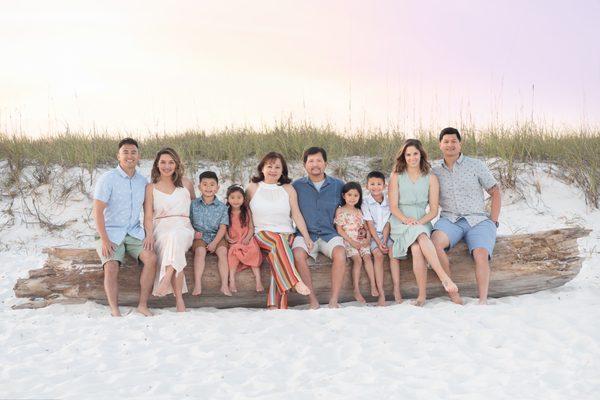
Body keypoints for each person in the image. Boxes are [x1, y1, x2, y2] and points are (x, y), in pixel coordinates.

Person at [431, 127, 501, 305]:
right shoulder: (434, 171)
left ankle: (483, 300)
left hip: (478, 219)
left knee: (480, 253)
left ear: (460, 144)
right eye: (446, 141)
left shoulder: (475, 165)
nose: (450, 145)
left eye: (454, 141)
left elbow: (495, 191)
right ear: (440, 145)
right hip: (450, 220)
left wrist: (493, 221)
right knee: (436, 244)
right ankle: (453, 294)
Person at [389, 138, 459, 306]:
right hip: (400, 221)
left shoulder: (431, 177)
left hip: (422, 219)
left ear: (421, 154)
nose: (412, 158)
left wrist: (419, 222)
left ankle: (421, 296)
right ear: (403, 157)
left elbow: (434, 210)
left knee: (417, 248)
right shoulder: (396, 175)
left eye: (415, 154)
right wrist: (407, 220)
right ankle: (445, 278)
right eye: (408, 155)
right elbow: (393, 207)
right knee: (420, 235)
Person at [93, 138, 157, 317]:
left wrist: (149, 234)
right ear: (118, 155)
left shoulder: (142, 181)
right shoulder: (107, 179)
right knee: (111, 265)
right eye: (125, 152)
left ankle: (142, 305)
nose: (130, 156)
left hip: (134, 231)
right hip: (111, 232)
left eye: (133, 152)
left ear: (138, 156)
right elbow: (97, 212)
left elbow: (147, 212)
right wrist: (104, 240)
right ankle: (114, 309)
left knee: (151, 258)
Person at [246, 152, 312, 309]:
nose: (273, 170)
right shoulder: (252, 187)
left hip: (286, 233)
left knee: (279, 254)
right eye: (269, 166)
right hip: (262, 233)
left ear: (283, 171)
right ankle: (295, 280)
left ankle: (276, 306)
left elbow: (296, 214)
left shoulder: (288, 189)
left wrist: (306, 237)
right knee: (278, 243)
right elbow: (245, 214)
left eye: (277, 167)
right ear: (262, 168)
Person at [292, 147, 347, 309]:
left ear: (325, 163)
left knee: (340, 253)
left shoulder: (338, 185)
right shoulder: (297, 186)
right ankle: (312, 300)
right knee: (297, 254)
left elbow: (348, 209)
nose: (315, 164)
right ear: (304, 165)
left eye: (318, 160)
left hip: (330, 233)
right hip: (305, 233)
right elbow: (291, 212)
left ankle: (334, 300)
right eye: (311, 161)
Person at [144, 147, 196, 312]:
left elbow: (196, 209)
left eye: (171, 162)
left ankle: (166, 278)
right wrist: (149, 235)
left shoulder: (186, 184)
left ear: (177, 164)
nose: (167, 166)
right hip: (162, 228)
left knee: (176, 236)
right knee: (172, 241)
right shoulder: (151, 187)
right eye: (163, 162)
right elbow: (147, 216)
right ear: (157, 165)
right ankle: (179, 300)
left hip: (184, 226)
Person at [334, 182, 377, 304]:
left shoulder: (358, 211)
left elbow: (364, 226)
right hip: (348, 240)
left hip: (360, 239)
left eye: (355, 195)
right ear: (343, 196)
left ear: (359, 197)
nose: (352, 198)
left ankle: (373, 285)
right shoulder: (340, 211)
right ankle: (356, 289)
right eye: (349, 195)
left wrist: (367, 236)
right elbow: (339, 229)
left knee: (367, 257)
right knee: (357, 259)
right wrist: (352, 242)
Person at [189, 171, 231, 296]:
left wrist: (214, 243)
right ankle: (197, 284)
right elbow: (188, 221)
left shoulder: (222, 207)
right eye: (205, 184)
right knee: (200, 252)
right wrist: (193, 233)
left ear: (217, 188)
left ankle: (224, 285)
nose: (208, 187)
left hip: (216, 236)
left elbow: (223, 228)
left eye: (212, 184)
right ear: (199, 187)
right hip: (200, 236)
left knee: (223, 252)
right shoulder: (193, 204)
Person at [361, 170, 393, 306]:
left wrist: (384, 240)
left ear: (384, 186)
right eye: (372, 184)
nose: (375, 187)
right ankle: (382, 294)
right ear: (367, 186)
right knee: (378, 255)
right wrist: (379, 243)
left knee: (393, 253)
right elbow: (370, 225)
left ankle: (396, 288)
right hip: (373, 235)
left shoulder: (389, 201)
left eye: (379, 184)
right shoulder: (365, 202)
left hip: (387, 234)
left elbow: (388, 223)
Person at [225, 184, 264, 294]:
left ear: (243, 199)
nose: (236, 200)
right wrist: (227, 237)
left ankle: (258, 280)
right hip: (234, 239)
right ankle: (231, 280)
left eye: (239, 197)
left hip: (247, 239)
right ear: (228, 199)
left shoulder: (246, 210)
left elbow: (251, 227)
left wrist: (247, 238)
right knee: (233, 253)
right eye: (232, 197)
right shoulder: (226, 211)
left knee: (254, 251)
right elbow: (224, 227)